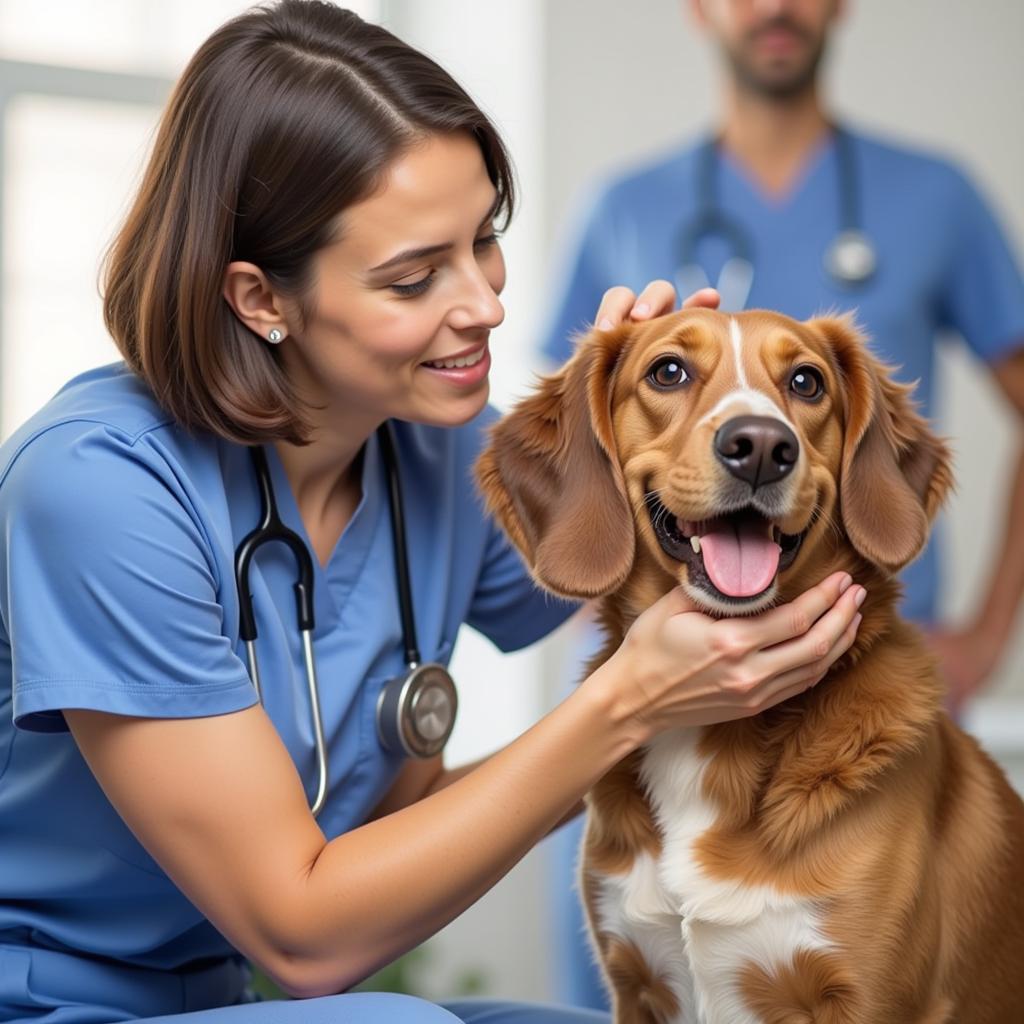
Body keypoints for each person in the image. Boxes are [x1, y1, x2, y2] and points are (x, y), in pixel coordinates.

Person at [0, 3, 868, 1022]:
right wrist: (623, 704)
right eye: (414, 276)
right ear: (257, 297)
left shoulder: (443, 450)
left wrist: (628, 415)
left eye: (483, 242)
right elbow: (305, 936)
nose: (485, 303)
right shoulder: (100, 487)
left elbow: (658, 575)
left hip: (218, 998)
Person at [541, 0, 1024, 1010]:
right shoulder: (618, 204)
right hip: (647, 721)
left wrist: (984, 631)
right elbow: (573, 463)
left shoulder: (935, 196)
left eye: (801, 388)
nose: (772, 4)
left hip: (858, 701)